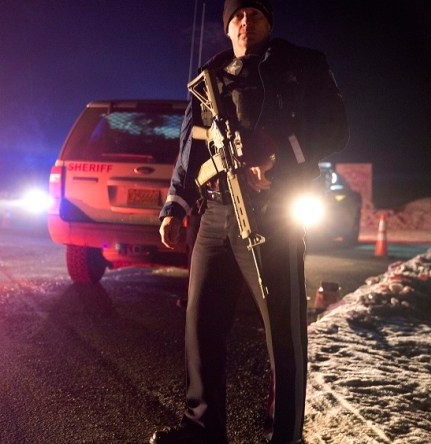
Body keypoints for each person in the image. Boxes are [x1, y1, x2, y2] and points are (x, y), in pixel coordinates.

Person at [152, 0, 348, 443]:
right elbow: (191, 148)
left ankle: (286, 436)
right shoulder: (210, 78)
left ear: (269, 22)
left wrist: (279, 152)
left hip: (275, 215)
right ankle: (202, 430)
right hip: (216, 215)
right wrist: (175, 206)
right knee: (201, 325)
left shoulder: (303, 66)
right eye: (237, 17)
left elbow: (336, 129)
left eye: (255, 14)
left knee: (284, 334)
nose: (245, 24)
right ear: (227, 27)